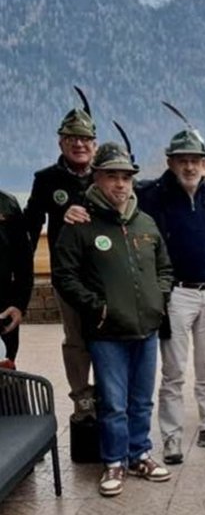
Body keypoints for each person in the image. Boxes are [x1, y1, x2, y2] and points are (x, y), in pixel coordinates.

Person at [52, 142, 173, 497]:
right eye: (112, 177)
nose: (120, 184)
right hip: (106, 332)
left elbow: (165, 267)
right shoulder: (81, 224)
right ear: (97, 178)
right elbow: (65, 275)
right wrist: (96, 306)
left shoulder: (145, 222)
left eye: (125, 177)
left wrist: (158, 299)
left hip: (146, 328)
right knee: (113, 402)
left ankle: (140, 454)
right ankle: (114, 461)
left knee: (141, 399)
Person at [134, 127, 205, 464]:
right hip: (176, 294)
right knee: (173, 371)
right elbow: (119, 196)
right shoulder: (154, 195)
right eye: (182, 160)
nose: (189, 166)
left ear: (204, 163)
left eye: (195, 160)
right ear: (170, 162)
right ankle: (171, 437)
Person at [23, 101, 97, 418]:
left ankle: (109, 395)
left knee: (108, 338)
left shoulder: (109, 174)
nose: (79, 144)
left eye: (85, 139)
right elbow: (30, 224)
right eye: (72, 139)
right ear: (61, 142)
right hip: (67, 275)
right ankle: (82, 398)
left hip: (106, 273)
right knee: (76, 339)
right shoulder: (47, 179)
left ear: (94, 144)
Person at [0, 188, 34, 363]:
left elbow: (24, 262)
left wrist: (19, 304)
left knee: (4, 376)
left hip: (3, 309)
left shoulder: (7, 203)